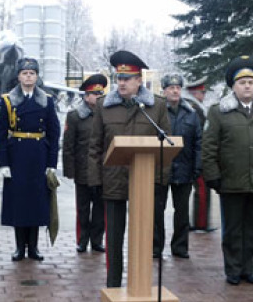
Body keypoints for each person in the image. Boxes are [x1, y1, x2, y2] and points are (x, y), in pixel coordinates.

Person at [88, 50, 171, 287]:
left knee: (143, 235)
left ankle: (140, 284)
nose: (122, 83)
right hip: (113, 180)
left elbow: (165, 147)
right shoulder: (104, 106)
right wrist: (95, 181)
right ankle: (113, 284)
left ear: (138, 80)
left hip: (144, 182)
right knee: (113, 236)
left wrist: (161, 183)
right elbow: (95, 146)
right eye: (119, 78)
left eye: (127, 78)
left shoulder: (156, 107)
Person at [203, 56, 253, 286]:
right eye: (242, 82)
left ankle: (250, 269)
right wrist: (212, 175)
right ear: (233, 87)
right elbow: (209, 147)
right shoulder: (218, 112)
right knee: (232, 229)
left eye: (251, 82)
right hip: (231, 180)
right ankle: (233, 269)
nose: (247, 86)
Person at [0, 57, 60, 262]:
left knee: (37, 202)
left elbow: (54, 133)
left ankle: (33, 247)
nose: (28, 76)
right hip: (17, 156)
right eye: (25, 73)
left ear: (37, 76)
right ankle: (19, 247)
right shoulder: (7, 100)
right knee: (19, 203)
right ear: (18, 76)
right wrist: (3, 163)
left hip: (39, 155)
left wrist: (51, 164)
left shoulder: (47, 100)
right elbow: (0, 134)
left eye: (32, 73)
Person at [154, 73, 201, 259]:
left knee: (182, 213)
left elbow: (199, 141)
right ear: (164, 91)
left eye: (178, 88)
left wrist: (197, 167)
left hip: (184, 169)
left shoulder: (191, 113)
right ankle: (155, 247)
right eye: (171, 88)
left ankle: (180, 247)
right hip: (161, 169)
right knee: (157, 212)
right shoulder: (156, 112)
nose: (175, 91)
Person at [63, 74, 107, 253]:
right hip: (82, 170)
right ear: (86, 95)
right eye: (95, 94)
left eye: (100, 93)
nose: (98, 97)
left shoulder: (106, 115)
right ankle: (82, 240)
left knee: (99, 208)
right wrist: (69, 170)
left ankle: (97, 240)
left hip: (102, 170)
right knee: (82, 208)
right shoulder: (75, 116)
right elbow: (68, 145)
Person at [184, 77, 214, 232]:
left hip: (190, 155)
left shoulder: (191, 107)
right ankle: (200, 223)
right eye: (202, 92)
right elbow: (201, 134)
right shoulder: (194, 108)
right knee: (202, 190)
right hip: (196, 155)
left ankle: (194, 222)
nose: (204, 95)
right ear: (195, 92)